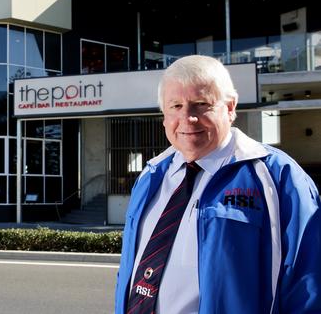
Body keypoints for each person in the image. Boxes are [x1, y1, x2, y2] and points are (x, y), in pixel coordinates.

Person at [114, 55, 321, 313]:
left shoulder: (278, 178)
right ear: (164, 114)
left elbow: (309, 284)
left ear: (230, 107)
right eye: (175, 106)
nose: (187, 118)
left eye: (201, 104)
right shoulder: (150, 176)